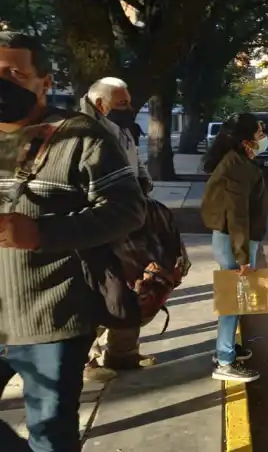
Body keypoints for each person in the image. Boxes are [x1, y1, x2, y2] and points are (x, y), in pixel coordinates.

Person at [0, 32, 146, 452]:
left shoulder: (80, 136)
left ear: (44, 82)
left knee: (50, 436)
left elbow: (127, 210)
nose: (4, 81)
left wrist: (44, 233)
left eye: (15, 72)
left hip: (50, 317)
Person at [79, 77, 155, 378]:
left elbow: (136, 160)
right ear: (101, 105)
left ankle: (123, 353)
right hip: (97, 226)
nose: (130, 108)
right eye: (123, 103)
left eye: (129, 102)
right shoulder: (81, 132)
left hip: (128, 220)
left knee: (134, 287)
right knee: (100, 293)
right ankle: (88, 358)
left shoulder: (121, 128)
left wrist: (144, 183)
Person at [200, 113, 268, 383]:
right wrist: (243, 256)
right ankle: (225, 362)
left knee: (235, 299)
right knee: (233, 301)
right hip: (234, 241)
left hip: (233, 240)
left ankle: (226, 349)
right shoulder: (237, 167)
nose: (263, 137)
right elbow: (237, 215)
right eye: (259, 133)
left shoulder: (238, 162)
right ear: (245, 141)